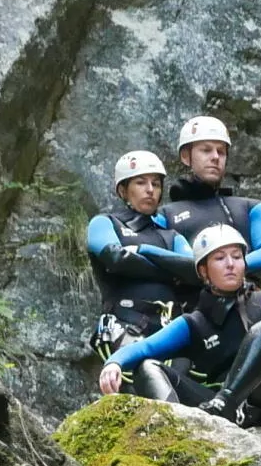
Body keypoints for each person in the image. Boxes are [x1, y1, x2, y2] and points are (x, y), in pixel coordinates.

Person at [97, 225, 261, 427]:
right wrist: (114, 363)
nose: (231, 264)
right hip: (226, 413)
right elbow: (144, 348)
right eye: (219, 258)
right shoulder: (195, 322)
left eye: (236, 256)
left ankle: (225, 403)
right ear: (203, 271)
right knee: (147, 367)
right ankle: (176, 431)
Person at [84, 149, 199, 385]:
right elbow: (116, 259)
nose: (150, 189)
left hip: (171, 331)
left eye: (156, 184)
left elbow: (194, 270)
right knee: (145, 384)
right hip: (125, 325)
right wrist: (170, 271)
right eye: (141, 182)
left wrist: (143, 253)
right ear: (123, 190)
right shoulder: (105, 223)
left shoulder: (171, 235)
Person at [159, 116, 261, 286]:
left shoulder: (251, 208)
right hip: (189, 304)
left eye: (221, 151)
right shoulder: (165, 214)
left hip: (245, 303)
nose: (215, 157)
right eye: (206, 150)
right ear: (186, 156)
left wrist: (229, 269)